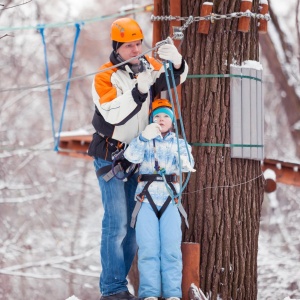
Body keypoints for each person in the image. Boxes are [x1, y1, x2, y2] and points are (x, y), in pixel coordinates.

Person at [88, 17, 189, 300]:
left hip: (139, 157)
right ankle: (113, 289)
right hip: (111, 155)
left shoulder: (149, 67)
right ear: (117, 47)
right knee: (117, 221)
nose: (135, 50)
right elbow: (112, 113)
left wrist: (177, 62)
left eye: (138, 44)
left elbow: (173, 78)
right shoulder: (105, 76)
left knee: (133, 225)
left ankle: (123, 287)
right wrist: (138, 89)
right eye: (128, 46)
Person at [124, 99, 195, 300]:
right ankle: (149, 294)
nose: (161, 120)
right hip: (146, 200)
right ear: (151, 120)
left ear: (172, 121)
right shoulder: (144, 140)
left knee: (171, 249)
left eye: (165, 116)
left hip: (170, 200)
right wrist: (144, 138)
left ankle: (173, 294)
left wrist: (183, 158)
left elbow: (189, 163)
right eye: (157, 116)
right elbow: (131, 156)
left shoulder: (179, 143)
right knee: (148, 249)